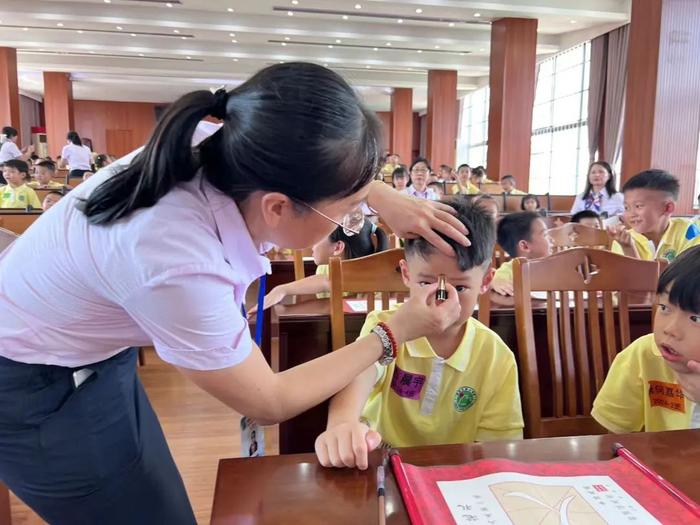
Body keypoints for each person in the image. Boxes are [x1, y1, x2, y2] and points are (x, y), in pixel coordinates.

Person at [0, 63, 470, 523]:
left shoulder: (231, 141)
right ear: (278, 207)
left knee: (157, 496)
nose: (353, 220)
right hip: (32, 385)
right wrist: (394, 332)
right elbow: (268, 401)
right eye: (345, 212)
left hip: (88, 356)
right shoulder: (178, 261)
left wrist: (379, 194)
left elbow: (303, 151)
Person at [314, 199, 523, 469]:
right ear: (406, 274)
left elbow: (500, 448)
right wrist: (343, 424)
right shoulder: (384, 326)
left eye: (459, 288)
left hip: (458, 476)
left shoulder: (496, 356)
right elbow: (359, 374)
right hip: (383, 466)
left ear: (484, 282)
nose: (440, 301)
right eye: (426, 283)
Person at [591, 246, 700, 432]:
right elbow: (613, 438)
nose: (670, 329)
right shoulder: (644, 355)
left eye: (695, 318)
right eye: (664, 307)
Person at [254, 222, 388, 308]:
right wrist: (281, 290)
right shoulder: (324, 268)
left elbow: (328, 281)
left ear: (337, 247)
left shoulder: (373, 282)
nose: (312, 243)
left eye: (318, 237)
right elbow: (326, 280)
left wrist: (282, 289)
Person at [610, 169, 700, 261]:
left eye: (638, 206)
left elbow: (690, 273)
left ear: (668, 208)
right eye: (626, 208)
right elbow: (626, 275)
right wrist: (628, 249)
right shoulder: (624, 241)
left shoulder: (689, 233)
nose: (631, 214)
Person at [491, 211, 551, 296]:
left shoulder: (554, 266)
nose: (552, 239)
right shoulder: (508, 272)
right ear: (524, 246)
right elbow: (491, 279)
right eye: (545, 235)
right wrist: (493, 282)